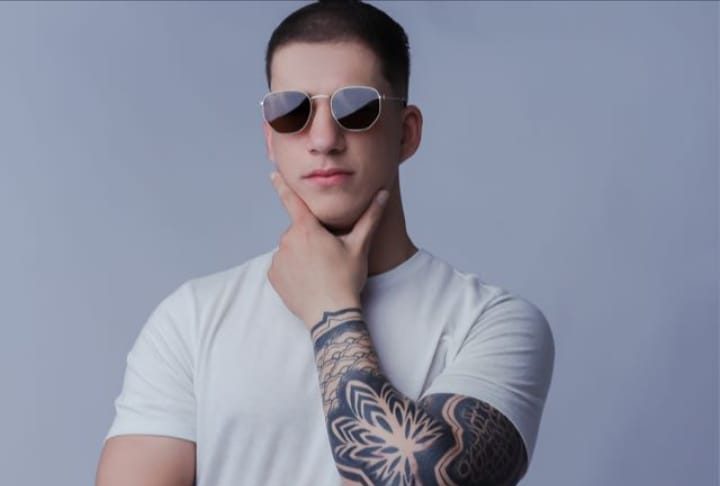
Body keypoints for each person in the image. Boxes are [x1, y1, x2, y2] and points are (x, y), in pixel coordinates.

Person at [95, 1, 555, 485]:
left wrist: (330, 310)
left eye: (355, 108)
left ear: (406, 134)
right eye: (291, 111)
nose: (323, 139)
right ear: (269, 139)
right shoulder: (191, 318)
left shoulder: (491, 323)